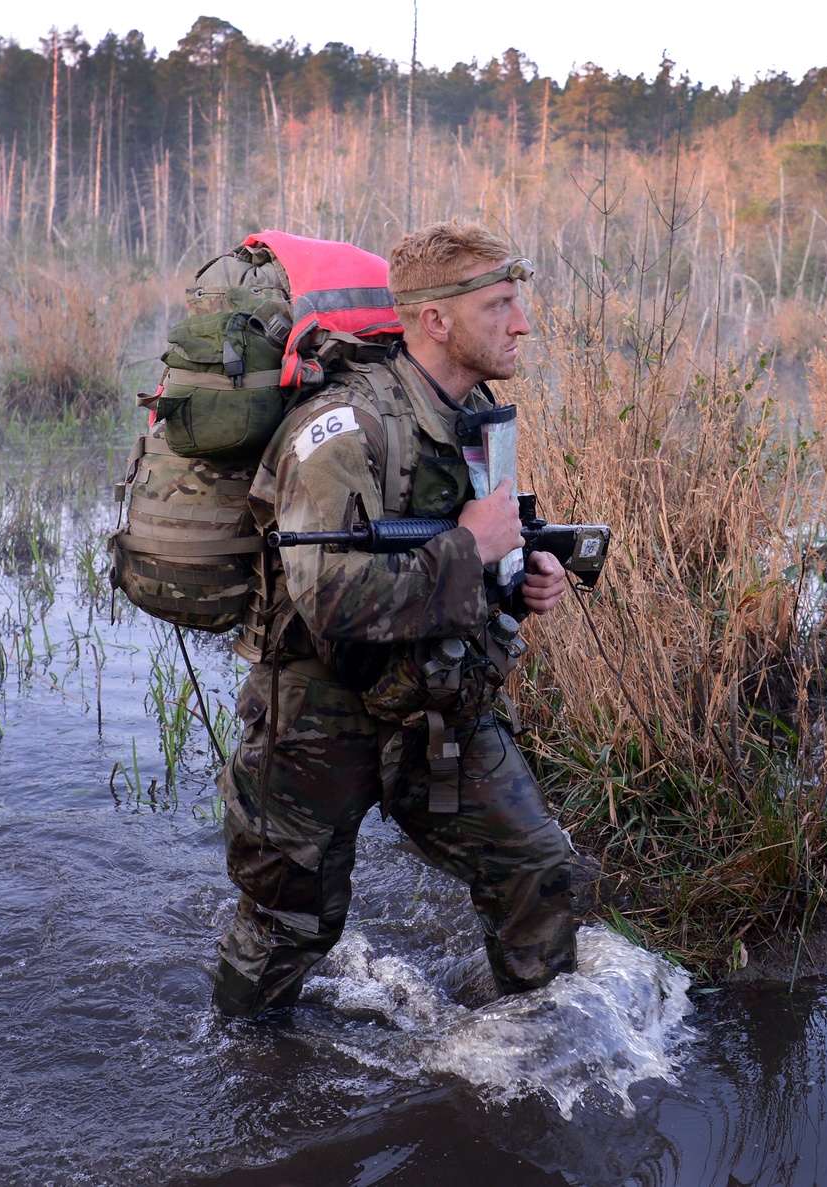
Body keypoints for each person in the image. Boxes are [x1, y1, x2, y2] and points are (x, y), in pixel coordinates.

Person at [212, 220, 577, 1019]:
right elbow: (327, 601)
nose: (523, 324)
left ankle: (530, 1061)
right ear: (436, 320)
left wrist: (520, 579)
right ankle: (245, 1082)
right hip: (316, 718)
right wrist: (466, 550)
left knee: (537, 874)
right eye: (501, 306)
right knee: (288, 929)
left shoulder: (477, 414)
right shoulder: (342, 429)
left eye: (519, 303)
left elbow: (485, 540)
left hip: (436, 703)